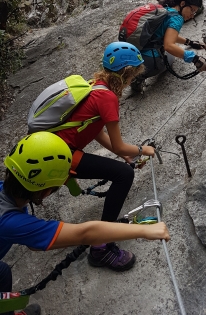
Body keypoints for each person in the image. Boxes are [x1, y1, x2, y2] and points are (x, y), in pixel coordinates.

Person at [0, 132, 170, 315]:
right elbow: (85, 233)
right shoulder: (10, 222)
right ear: (45, 192)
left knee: (2, 273)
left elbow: (33, 244)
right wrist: (144, 231)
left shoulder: (7, 192)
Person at [52, 41, 157, 271]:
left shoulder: (95, 86)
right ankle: (101, 246)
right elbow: (120, 145)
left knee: (122, 169)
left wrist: (126, 156)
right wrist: (142, 150)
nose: (132, 81)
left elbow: (95, 130)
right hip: (61, 155)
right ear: (126, 73)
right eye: (133, 75)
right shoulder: (108, 98)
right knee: (123, 175)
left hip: (55, 149)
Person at [130, 0, 206, 93]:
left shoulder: (165, 10)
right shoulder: (177, 18)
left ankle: (136, 71)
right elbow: (169, 45)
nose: (192, 16)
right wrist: (195, 59)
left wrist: (189, 42)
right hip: (146, 60)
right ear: (182, 4)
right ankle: (139, 77)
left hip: (134, 50)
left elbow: (169, 35)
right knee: (170, 58)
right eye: (192, 10)